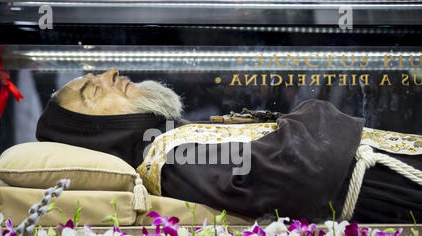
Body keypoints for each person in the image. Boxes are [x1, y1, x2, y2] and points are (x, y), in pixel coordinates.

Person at [36, 69, 422, 223]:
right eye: (92, 90)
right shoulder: (170, 157)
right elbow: (298, 170)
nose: (110, 74)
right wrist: (312, 111)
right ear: (92, 130)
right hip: (396, 194)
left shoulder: (173, 141)